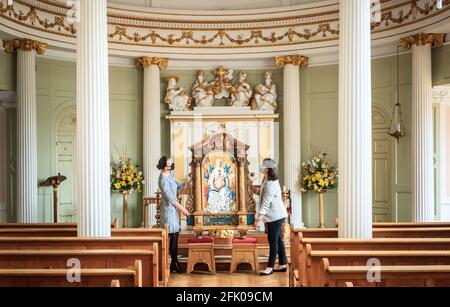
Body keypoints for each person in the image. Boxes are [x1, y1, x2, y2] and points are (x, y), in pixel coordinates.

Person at [254, 158, 288, 276]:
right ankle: (283, 263)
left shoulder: (272, 184)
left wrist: (258, 219)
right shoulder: (267, 180)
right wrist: (252, 189)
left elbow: (265, 203)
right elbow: (261, 193)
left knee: (272, 241)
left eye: (263, 166)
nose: (261, 168)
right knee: (278, 240)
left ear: (267, 169)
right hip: (274, 215)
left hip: (276, 216)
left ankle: (269, 267)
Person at [157, 156, 190, 273]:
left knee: (175, 237)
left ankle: (174, 264)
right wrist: (184, 210)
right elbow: (171, 200)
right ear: (165, 166)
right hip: (168, 211)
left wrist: (189, 180)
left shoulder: (170, 175)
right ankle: (174, 263)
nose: (171, 166)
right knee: (172, 237)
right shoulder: (162, 180)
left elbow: (180, 186)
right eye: (170, 164)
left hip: (173, 211)